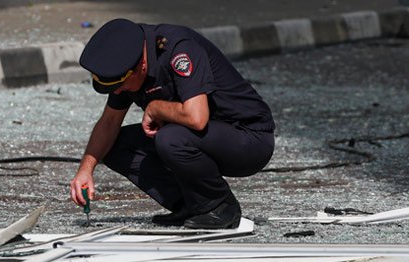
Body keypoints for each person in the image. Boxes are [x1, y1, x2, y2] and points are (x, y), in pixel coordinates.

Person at [70, 18, 275, 229]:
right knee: (114, 146)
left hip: (249, 138)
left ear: (140, 66)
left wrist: (156, 108)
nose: (118, 91)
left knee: (170, 138)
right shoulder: (129, 57)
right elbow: (109, 122)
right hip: (203, 138)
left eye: (120, 85)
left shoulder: (178, 49)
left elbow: (197, 118)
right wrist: (86, 170)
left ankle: (220, 208)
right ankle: (190, 205)